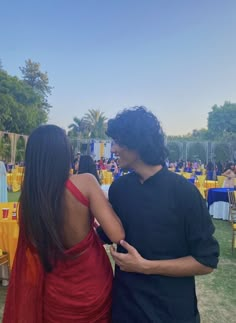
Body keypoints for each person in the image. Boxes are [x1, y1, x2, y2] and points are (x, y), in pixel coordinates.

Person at [97, 106, 219, 323]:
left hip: (171, 313)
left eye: (118, 142)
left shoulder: (184, 193)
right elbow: (109, 236)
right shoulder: (120, 189)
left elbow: (206, 261)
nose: (113, 149)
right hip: (126, 310)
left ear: (137, 143)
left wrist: (146, 266)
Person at [3, 125, 125, 323]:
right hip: (93, 285)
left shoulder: (29, 202)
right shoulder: (85, 182)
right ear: (65, 154)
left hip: (55, 292)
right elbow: (117, 234)